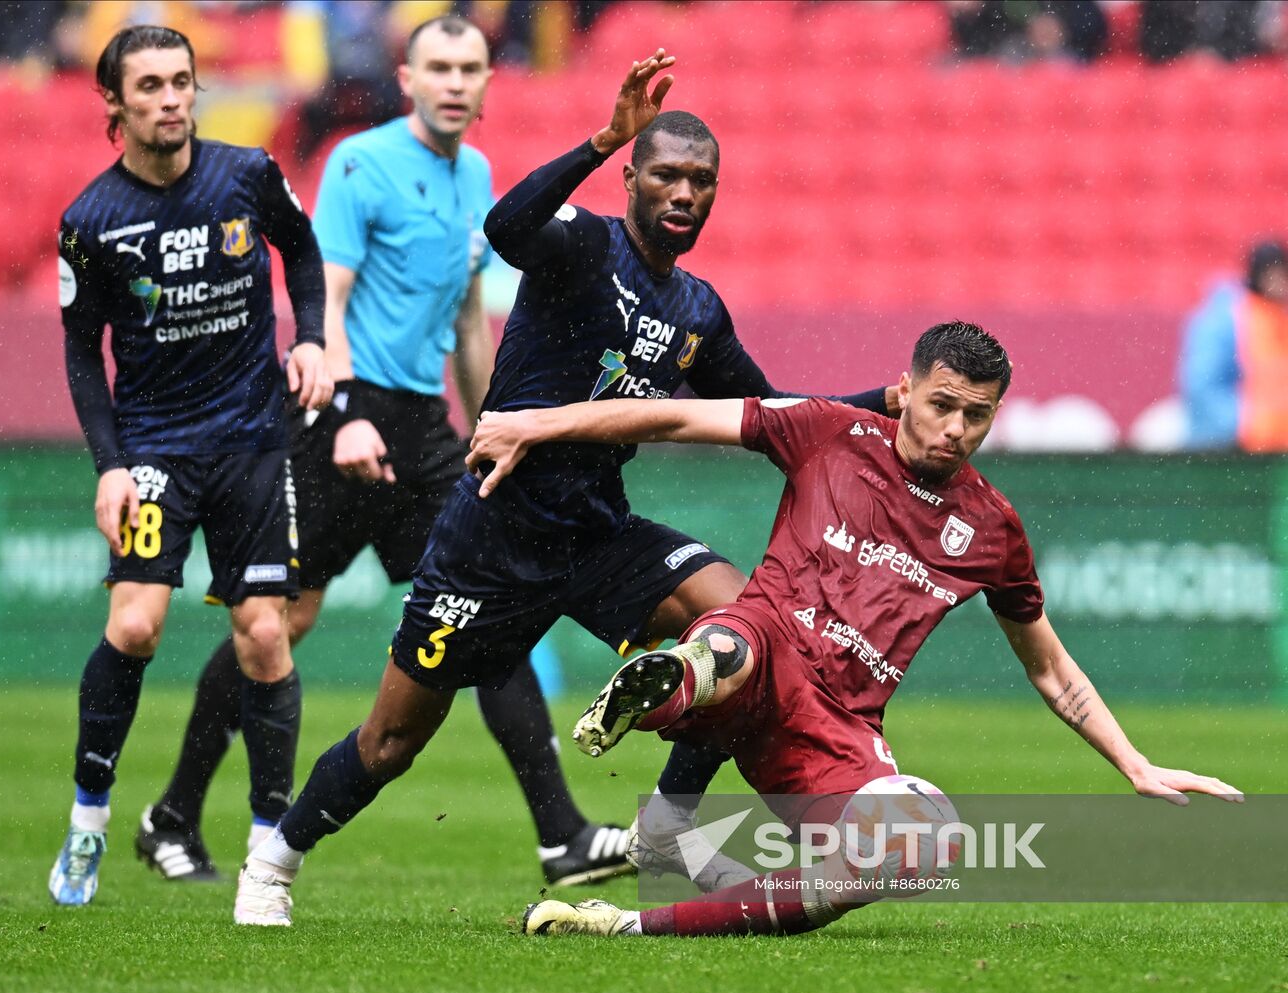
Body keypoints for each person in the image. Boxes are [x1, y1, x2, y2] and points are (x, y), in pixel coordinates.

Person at [231, 49, 895, 926]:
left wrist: (878, 406)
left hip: (595, 535)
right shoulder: (582, 245)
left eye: (702, 181)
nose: (684, 194)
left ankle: (667, 823)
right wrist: (596, 139)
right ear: (632, 178)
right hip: (493, 540)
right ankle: (273, 862)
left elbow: (766, 411)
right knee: (391, 742)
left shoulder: (698, 311)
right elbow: (506, 230)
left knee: (741, 627)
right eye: (666, 175)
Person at [464, 320, 1245, 938]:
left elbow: (1051, 669)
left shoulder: (995, 528)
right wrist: (537, 426)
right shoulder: (826, 431)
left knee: (920, 843)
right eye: (942, 405)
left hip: (837, 730)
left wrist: (1135, 764)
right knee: (728, 643)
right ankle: (663, 695)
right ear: (904, 391)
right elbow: (672, 413)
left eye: (977, 416)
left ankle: (628, 926)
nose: (955, 430)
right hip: (763, 649)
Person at [136, 14, 631, 887]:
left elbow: (472, 326)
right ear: (406, 78)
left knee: (487, 614)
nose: (453, 81)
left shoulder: (478, 173)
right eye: (437, 66)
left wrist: (496, 432)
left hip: (425, 433)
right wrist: (349, 412)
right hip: (335, 416)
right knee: (278, 622)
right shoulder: (360, 164)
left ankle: (562, 835)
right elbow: (323, 303)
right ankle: (172, 815)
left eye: (468, 67)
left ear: (485, 82)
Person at [48, 24, 333, 906]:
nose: (172, 98)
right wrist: (109, 465)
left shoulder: (247, 175)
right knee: (135, 628)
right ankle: (88, 826)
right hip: (155, 452)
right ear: (116, 104)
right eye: (151, 86)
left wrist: (315, 339)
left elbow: (305, 251)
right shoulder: (91, 222)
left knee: (264, 634)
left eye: (182, 81)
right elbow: (79, 352)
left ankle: (263, 856)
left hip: (252, 442)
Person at [1180, 240, 1288, 452]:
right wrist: (1247, 424)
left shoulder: (1277, 318)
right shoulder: (1225, 320)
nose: (1278, 283)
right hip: (1227, 449)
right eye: (1272, 274)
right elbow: (1202, 388)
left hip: (1273, 447)